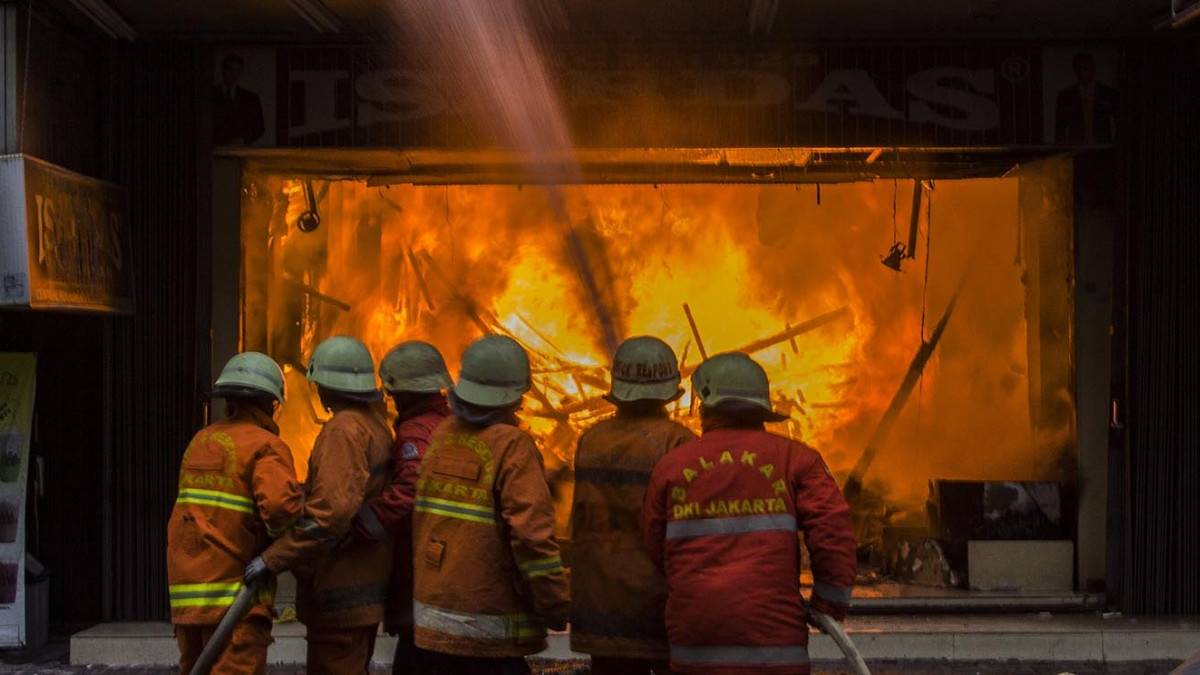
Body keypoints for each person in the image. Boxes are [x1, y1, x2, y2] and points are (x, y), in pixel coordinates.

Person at [642, 352, 857, 675]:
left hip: (696, 646)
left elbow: (653, 545)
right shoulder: (797, 460)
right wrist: (829, 604)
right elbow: (834, 533)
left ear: (704, 405)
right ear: (762, 407)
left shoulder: (671, 467)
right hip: (775, 650)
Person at [411, 335, 569, 675]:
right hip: (489, 633)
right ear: (517, 393)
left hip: (430, 625)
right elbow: (532, 539)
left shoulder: (442, 435)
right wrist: (555, 604)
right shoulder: (514, 446)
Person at [251, 336, 394, 675]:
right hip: (363, 588)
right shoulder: (375, 424)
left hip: (340, 592)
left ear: (327, 385)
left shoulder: (343, 431)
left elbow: (328, 515)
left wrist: (271, 559)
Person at [167, 351, 302, 675]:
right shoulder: (266, 446)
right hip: (236, 597)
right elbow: (281, 513)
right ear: (270, 403)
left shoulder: (200, 441)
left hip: (188, 598)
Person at [569, 336, 695, 675]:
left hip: (600, 602)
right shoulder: (679, 442)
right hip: (658, 604)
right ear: (669, 389)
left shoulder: (590, 439)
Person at [342, 341, 454, 675]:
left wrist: (360, 527)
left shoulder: (415, 432)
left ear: (402, 392)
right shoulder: (449, 423)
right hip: (445, 561)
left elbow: (410, 492)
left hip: (420, 565)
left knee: (416, 659)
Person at [1054, 52, 1117, 145]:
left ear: (1092, 69)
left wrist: (1115, 145)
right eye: (1079, 69)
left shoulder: (1107, 93)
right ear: (1076, 71)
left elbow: (1119, 122)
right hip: (1077, 147)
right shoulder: (1066, 96)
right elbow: (1060, 127)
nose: (1083, 73)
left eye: (1086, 69)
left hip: (1102, 146)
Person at [213, 53, 266, 146]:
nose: (233, 73)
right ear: (223, 70)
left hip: (242, 150)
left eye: (237, 70)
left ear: (240, 72)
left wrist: (243, 140)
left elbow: (259, 128)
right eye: (230, 69)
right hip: (215, 149)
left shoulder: (251, 98)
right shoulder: (210, 96)